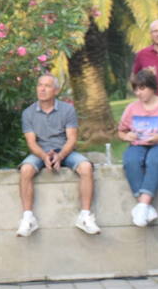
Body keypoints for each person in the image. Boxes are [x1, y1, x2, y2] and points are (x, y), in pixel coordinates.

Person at [15, 73, 100, 236]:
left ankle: (85, 216)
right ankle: (28, 218)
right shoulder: (28, 113)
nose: (42, 89)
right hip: (40, 151)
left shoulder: (67, 110)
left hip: (65, 151)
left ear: (56, 90)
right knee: (26, 170)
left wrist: (60, 156)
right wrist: (45, 157)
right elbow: (31, 142)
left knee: (86, 167)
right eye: (40, 85)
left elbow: (72, 139)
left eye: (47, 86)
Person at [118, 68, 158, 227]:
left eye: (142, 88)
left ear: (152, 88)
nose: (138, 93)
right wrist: (127, 136)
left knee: (154, 159)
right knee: (130, 160)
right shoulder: (132, 108)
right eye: (136, 89)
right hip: (139, 144)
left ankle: (142, 205)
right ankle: (145, 206)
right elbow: (121, 131)